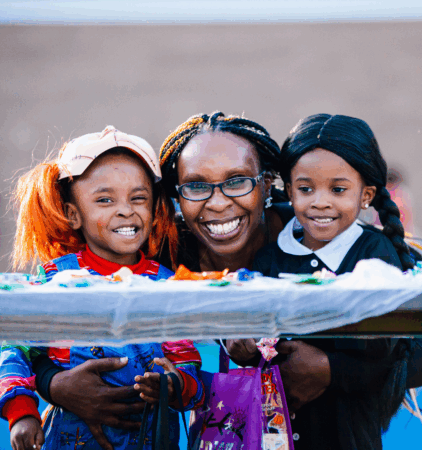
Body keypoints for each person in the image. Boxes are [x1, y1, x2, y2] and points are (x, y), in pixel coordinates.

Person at [31, 113, 417, 448]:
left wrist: (332, 370)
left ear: (267, 185)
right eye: (197, 186)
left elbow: (406, 343)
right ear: (176, 198)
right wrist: (55, 386)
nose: (217, 202)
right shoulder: (160, 255)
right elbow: (41, 326)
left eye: (236, 181)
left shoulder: (318, 235)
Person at [0, 126, 204, 450]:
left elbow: (188, 364)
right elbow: (16, 348)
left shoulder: (168, 284)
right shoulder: (56, 280)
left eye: (138, 198)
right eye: (105, 199)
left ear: (153, 211)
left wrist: (175, 384)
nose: (125, 209)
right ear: (73, 215)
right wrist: (22, 413)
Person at [250, 113, 414, 449]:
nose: (320, 201)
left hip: (348, 435)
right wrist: (246, 344)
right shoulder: (270, 257)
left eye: (338, 189)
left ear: (365, 195)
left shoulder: (373, 253)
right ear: (290, 190)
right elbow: (256, 335)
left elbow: (385, 351)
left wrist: (329, 367)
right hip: (275, 434)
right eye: (306, 188)